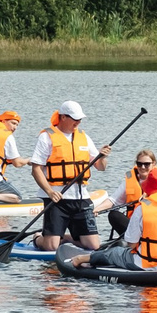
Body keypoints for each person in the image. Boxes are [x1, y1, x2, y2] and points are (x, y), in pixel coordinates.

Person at [31, 100, 112, 252]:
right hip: (57, 199)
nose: (78, 122)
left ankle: (64, 237)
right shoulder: (46, 137)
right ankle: (38, 238)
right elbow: (36, 169)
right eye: (75, 119)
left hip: (80, 198)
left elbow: (101, 167)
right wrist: (50, 192)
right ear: (63, 117)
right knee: (51, 247)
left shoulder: (83, 137)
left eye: (80, 119)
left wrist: (102, 156)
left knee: (93, 246)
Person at [93, 167, 157, 271]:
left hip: (145, 263)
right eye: (140, 164)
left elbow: (131, 244)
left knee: (115, 252)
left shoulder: (142, 208)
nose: (143, 166)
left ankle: (82, 259)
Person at [106, 149, 157, 241]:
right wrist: (95, 210)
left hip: (153, 222)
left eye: (147, 164)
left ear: (154, 164)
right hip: (134, 225)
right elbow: (113, 200)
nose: (143, 167)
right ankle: (132, 240)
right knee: (113, 215)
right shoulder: (130, 179)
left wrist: (147, 198)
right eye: (139, 164)